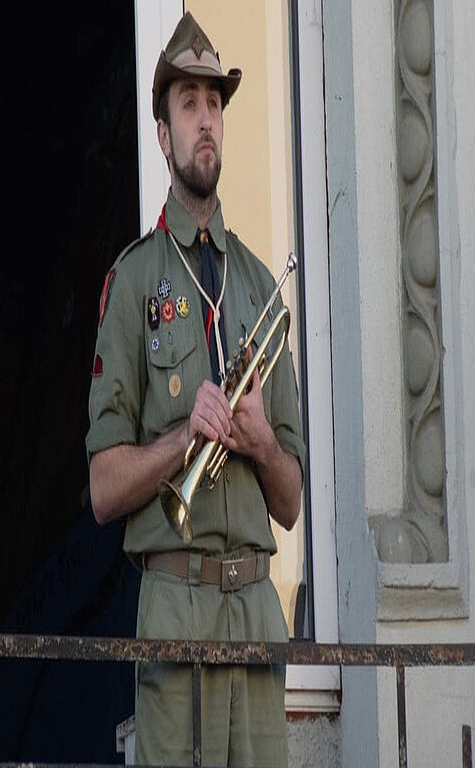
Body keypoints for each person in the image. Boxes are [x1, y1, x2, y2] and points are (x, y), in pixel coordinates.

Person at [85, 12, 306, 767]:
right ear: (163, 134)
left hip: (255, 609)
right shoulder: (134, 281)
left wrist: (261, 442)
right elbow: (103, 489)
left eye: (215, 103)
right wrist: (184, 438)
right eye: (188, 104)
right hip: (173, 606)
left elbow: (291, 498)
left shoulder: (257, 286)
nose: (206, 121)